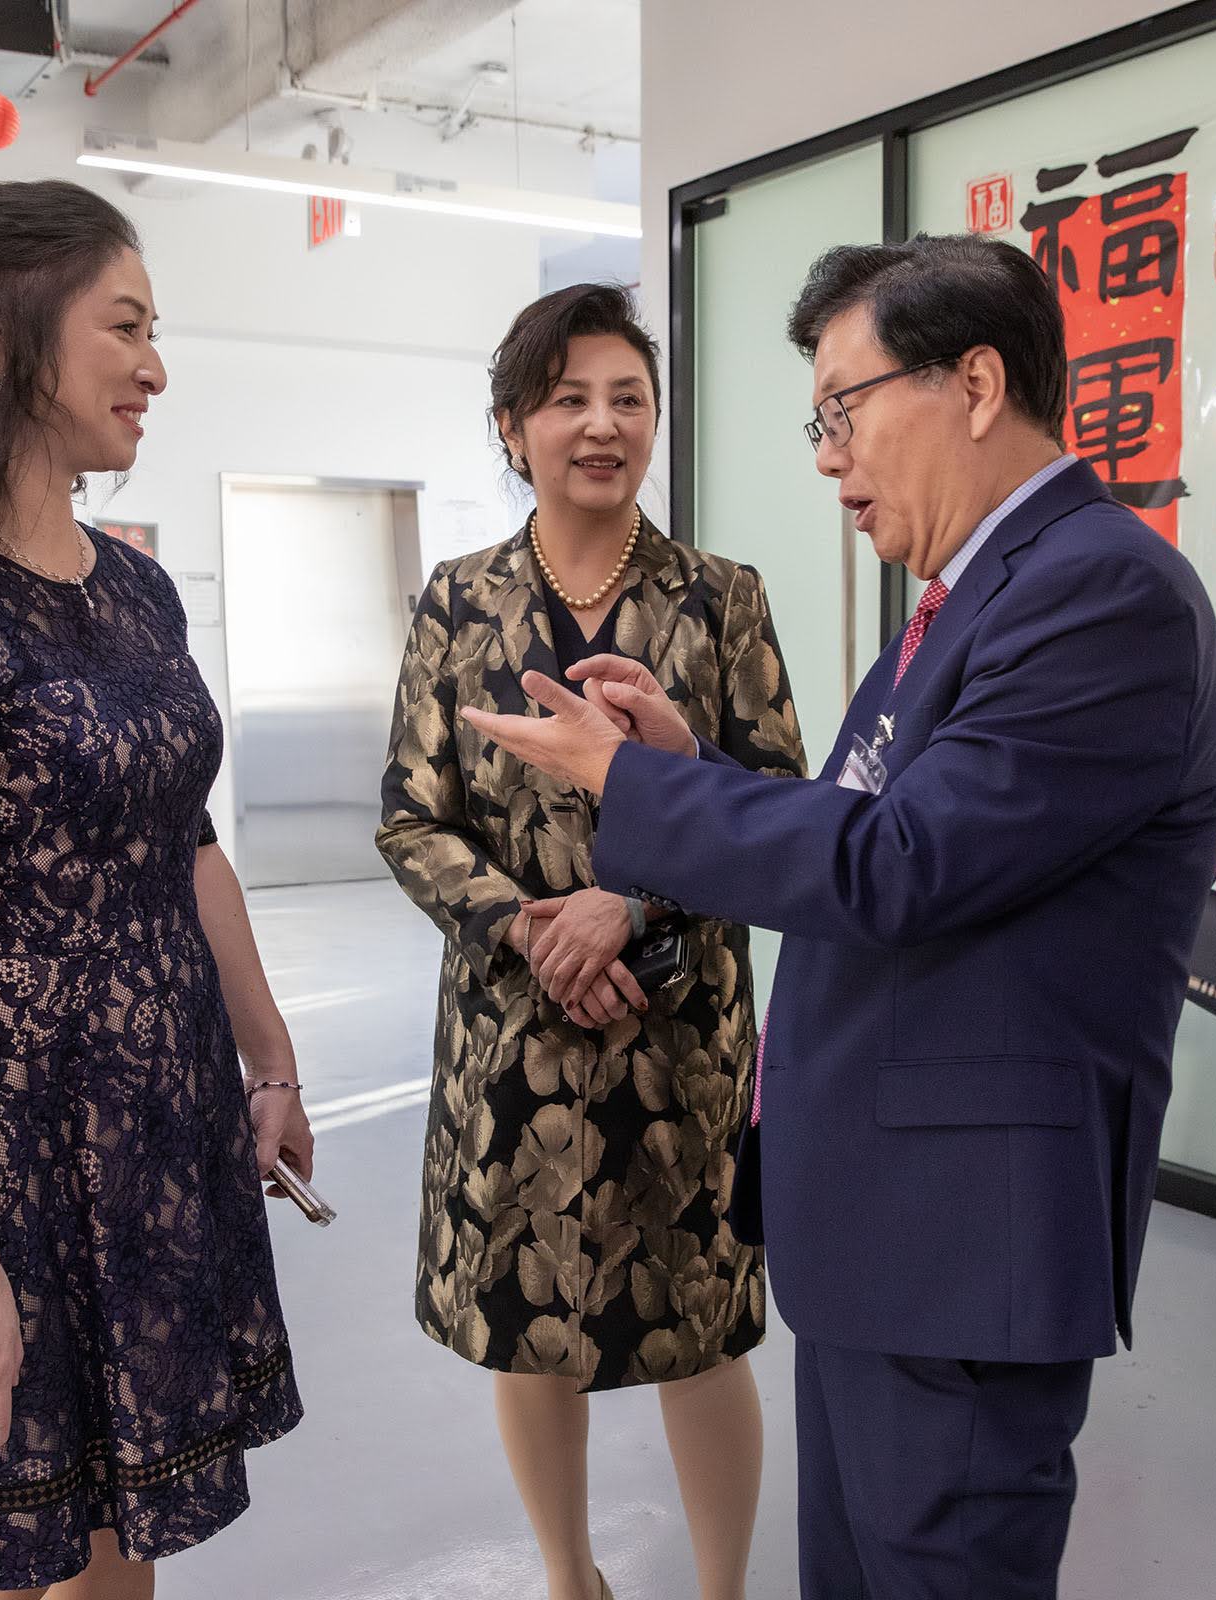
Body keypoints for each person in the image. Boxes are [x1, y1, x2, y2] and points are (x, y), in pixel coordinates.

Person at [463, 235, 1216, 1600]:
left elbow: (900, 866)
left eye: (844, 409)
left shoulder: (1098, 594)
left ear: (975, 384)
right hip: (887, 1220)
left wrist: (632, 786)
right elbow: (877, 828)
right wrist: (692, 766)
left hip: (962, 1234)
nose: (829, 458)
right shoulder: (975, 593)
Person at [0, 180, 311, 1600]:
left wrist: (268, 1056)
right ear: (5, 339)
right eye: (127, 327)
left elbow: (188, 843)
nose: (155, 367)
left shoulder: (136, 589)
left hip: (161, 1124)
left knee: (119, 1536)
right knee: (10, 1533)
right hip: (19, 1147)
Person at [376, 282, 807, 1600]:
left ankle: (721, 1589)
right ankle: (572, 1578)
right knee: (527, 1323)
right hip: (515, 1026)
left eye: (629, 398)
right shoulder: (459, 600)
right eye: (569, 399)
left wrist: (637, 901)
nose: (603, 425)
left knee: (698, 1327)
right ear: (514, 427)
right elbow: (411, 815)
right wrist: (531, 924)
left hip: (678, 1029)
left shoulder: (720, 598)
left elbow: (778, 804)